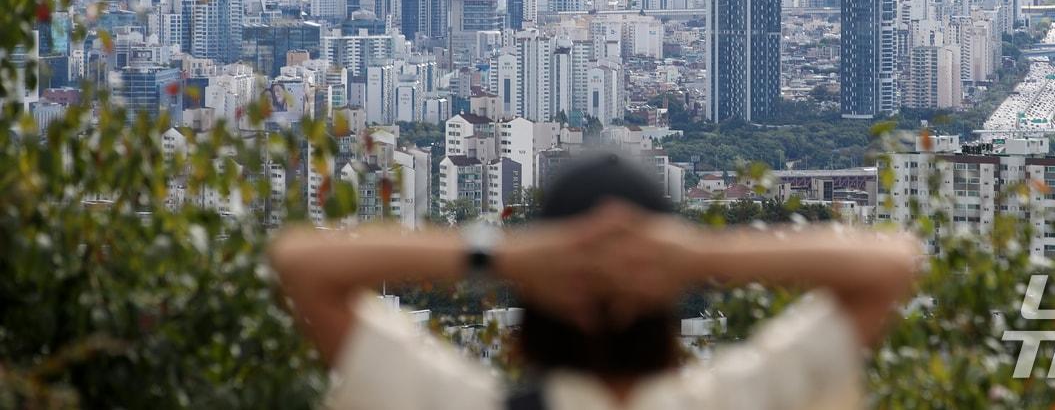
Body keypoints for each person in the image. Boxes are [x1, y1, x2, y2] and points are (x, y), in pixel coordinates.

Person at [270, 154, 921, 409]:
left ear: (539, 305)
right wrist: (697, 256)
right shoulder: (741, 398)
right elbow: (889, 266)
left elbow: (303, 265)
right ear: (664, 306)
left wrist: (503, 254)